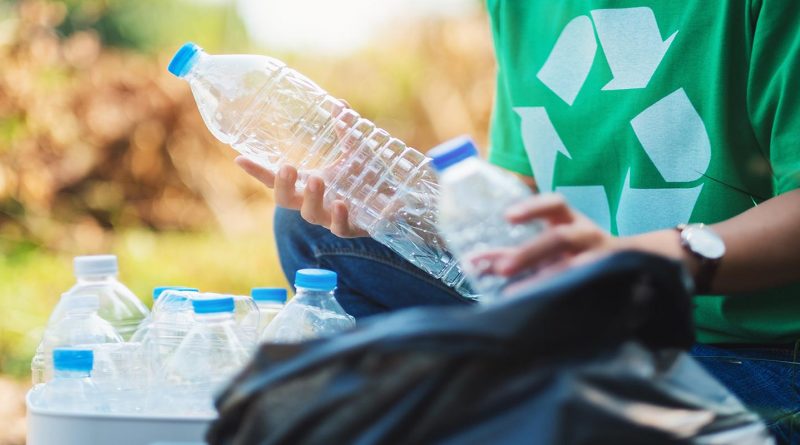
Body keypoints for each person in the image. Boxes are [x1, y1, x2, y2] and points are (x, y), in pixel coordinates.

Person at [237, 1, 800, 442]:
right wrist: (404, 212)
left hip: (750, 352)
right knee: (315, 232)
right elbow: (525, 195)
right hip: (581, 323)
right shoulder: (519, 4)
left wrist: (648, 260)